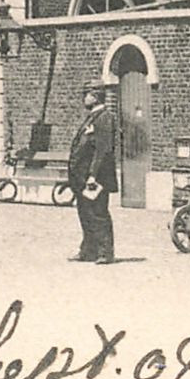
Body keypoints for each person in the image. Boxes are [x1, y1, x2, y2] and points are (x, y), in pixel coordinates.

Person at [68, 77, 118, 263]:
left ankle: (105, 252)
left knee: (98, 213)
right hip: (83, 177)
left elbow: (103, 150)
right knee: (85, 213)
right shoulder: (93, 117)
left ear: (95, 96)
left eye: (86, 94)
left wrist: (92, 175)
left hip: (96, 178)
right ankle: (89, 250)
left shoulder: (104, 118)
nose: (84, 98)